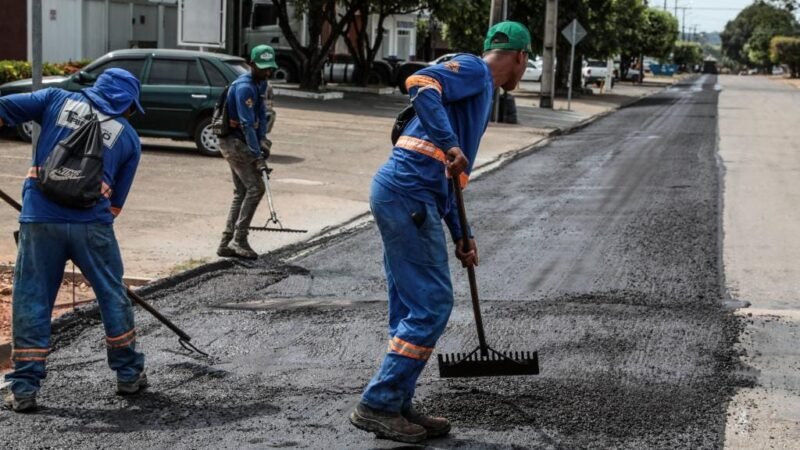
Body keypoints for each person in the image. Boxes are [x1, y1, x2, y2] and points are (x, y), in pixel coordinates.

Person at [349, 22, 532, 443]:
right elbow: (420, 82)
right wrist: (450, 143)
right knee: (432, 304)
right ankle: (378, 403)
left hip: (411, 194)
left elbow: (451, 175)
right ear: (521, 57)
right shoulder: (474, 69)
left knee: (410, 308)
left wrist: (462, 233)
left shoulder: (478, 92)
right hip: (408, 192)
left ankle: (398, 401)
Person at [0, 68, 147, 412]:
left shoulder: (55, 99)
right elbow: (115, 206)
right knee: (112, 294)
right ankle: (128, 374)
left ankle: (24, 387)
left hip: (40, 221)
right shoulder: (128, 138)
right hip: (92, 226)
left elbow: (4, 108)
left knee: (32, 298)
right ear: (126, 103)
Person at [216, 44, 277, 260]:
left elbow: (260, 116)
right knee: (256, 187)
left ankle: (226, 243)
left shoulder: (261, 84)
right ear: (251, 64)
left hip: (243, 140)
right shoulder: (244, 88)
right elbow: (247, 124)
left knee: (242, 191)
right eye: (262, 68)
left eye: (269, 68)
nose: (267, 72)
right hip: (233, 142)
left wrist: (263, 141)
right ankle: (239, 239)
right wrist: (256, 155)